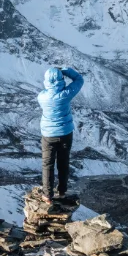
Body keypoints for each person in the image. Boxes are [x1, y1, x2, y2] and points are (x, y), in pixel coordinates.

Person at [36, 66, 84, 203]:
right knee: (63, 163)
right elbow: (79, 79)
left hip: (48, 135)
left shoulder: (42, 97)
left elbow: (48, 91)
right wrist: (65, 71)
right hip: (65, 133)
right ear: (61, 79)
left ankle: (47, 195)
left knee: (47, 164)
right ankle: (62, 191)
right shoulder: (65, 94)